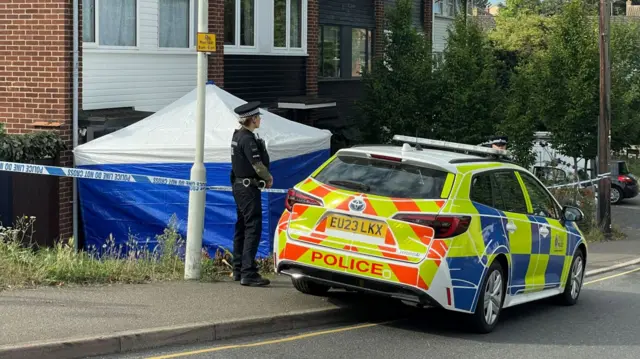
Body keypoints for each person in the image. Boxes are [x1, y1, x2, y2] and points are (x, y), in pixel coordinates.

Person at [230, 101, 273, 287]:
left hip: (239, 186)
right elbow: (257, 165)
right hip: (248, 188)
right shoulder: (247, 139)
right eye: (258, 117)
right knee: (252, 227)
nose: (259, 120)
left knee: (242, 226)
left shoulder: (237, 136)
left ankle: (238, 269)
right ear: (252, 119)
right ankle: (249, 272)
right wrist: (268, 178)